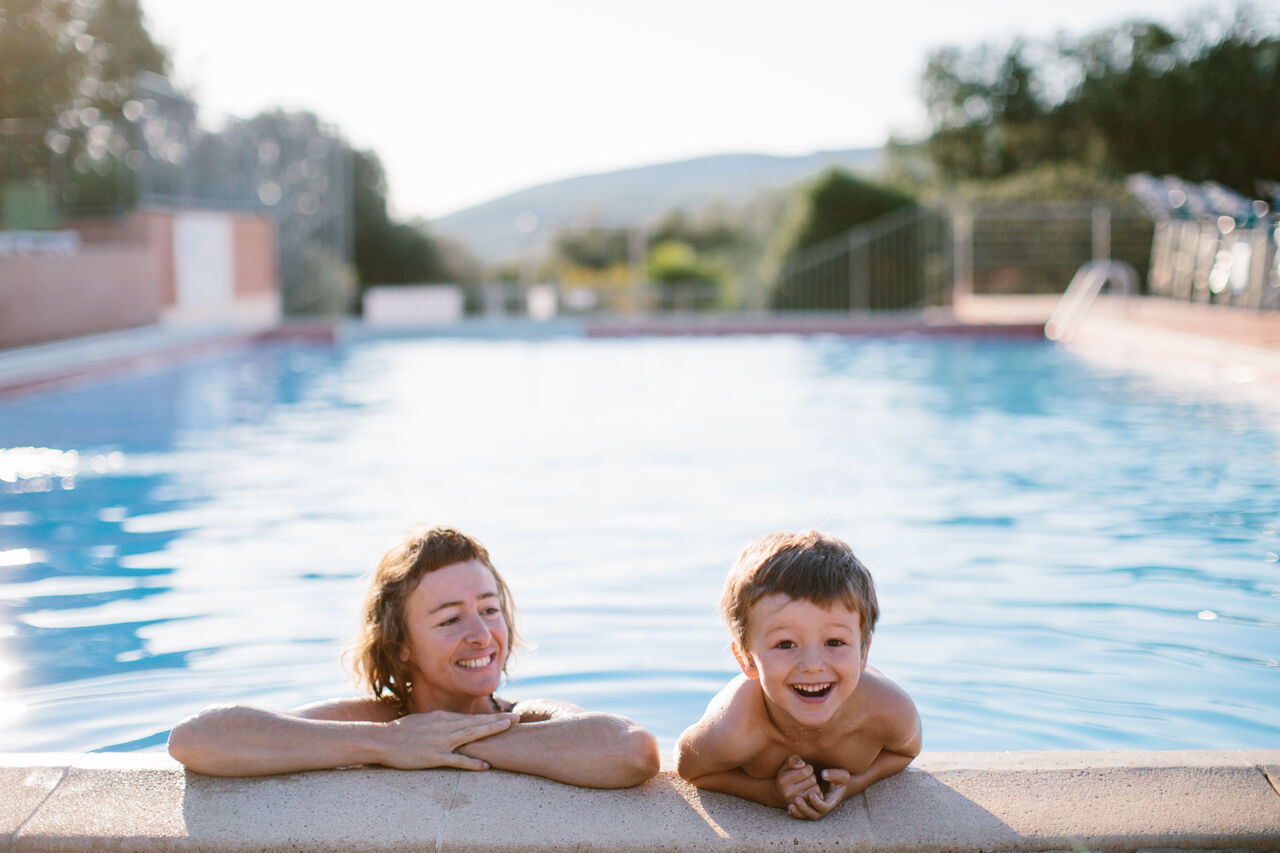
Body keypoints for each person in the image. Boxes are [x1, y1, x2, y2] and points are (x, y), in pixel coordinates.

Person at [168, 526, 660, 787]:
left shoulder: (527, 721)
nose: (481, 634)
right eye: (449, 619)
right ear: (400, 643)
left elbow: (631, 750)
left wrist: (442, 744)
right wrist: (385, 743)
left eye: (490, 610)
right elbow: (196, 738)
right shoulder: (376, 721)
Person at [674, 530, 920, 819]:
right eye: (786, 644)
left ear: (864, 651)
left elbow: (907, 752)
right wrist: (768, 793)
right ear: (746, 659)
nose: (812, 664)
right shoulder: (736, 728)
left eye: (834, 642)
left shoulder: (888, 710)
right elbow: (689, 768)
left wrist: (855, 784)